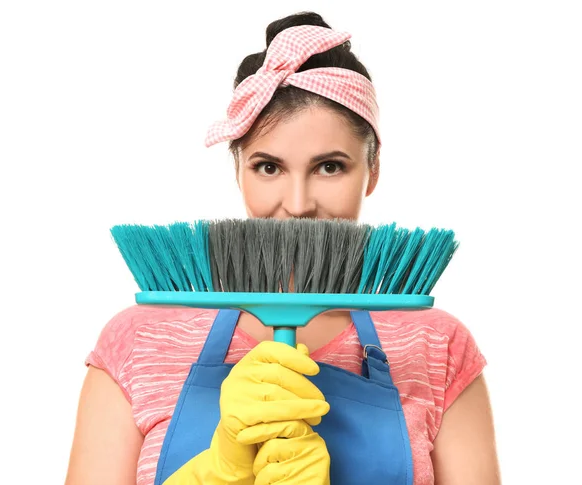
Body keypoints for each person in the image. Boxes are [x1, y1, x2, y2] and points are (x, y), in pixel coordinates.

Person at [64, 11, 501, 485]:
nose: (298, 205)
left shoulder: (437, 346)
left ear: (372, 171)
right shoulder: (138, 341)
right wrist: (216, 472)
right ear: (238, 172)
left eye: (330, 167)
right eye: (269, 167)